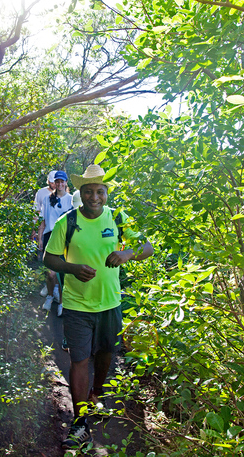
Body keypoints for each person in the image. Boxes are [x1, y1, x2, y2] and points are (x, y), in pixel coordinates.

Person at [44, 164, 153, 450]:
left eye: (100, 191)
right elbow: (49, 259)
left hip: (110, 304)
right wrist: (72, 268)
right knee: (79, 359)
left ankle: (96, 393)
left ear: (106, 193)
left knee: (106, 353)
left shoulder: (117, 218)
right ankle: (80, 423)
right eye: (89, 191)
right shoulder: (67, 223)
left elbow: (148, 246)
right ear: (80, 193)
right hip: (77, 306)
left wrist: (127, 253)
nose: (95, 197)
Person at [39, 170, 72, 314]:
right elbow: (44, 221)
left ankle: (62, 303)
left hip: (65, 238)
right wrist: (40, 238)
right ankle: (50, 296)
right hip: (50, 236)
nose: (59, 184)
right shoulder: (47, 199)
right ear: (54, 182)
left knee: (63, 272)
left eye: (62, 181)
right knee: (50, 273)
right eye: (57, 181)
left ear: (66, 183)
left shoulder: (71, 199)